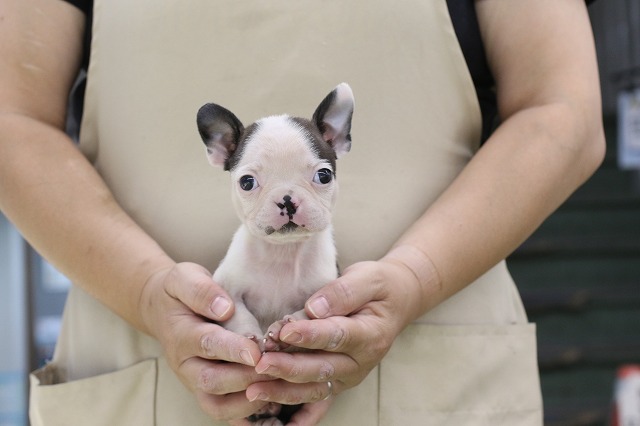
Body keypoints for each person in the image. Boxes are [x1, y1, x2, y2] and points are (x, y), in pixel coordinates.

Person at [0, 0, 604, 424]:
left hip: (432, 366)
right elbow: (12, 123)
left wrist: (419, 276)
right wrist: (143, 290)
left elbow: (562, 111)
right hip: (143, 369)